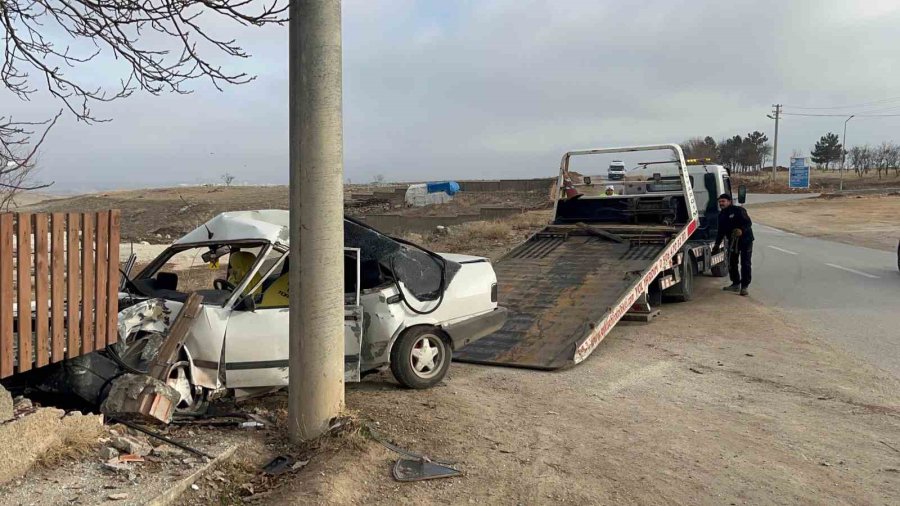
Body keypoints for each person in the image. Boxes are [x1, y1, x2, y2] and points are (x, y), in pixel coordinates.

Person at [713, 193, 754, 296]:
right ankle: (735, 284)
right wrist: (717, 245)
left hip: (745, 240)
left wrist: (741, 230)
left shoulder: (738, 210)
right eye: (720, 202)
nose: (721, 203)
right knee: (732, 262)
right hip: (732, 242)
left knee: (745, 263)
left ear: (729, 202)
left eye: (723, 201)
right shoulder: (721, 215)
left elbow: (748, 223)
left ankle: (744, 287)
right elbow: (720, 232)